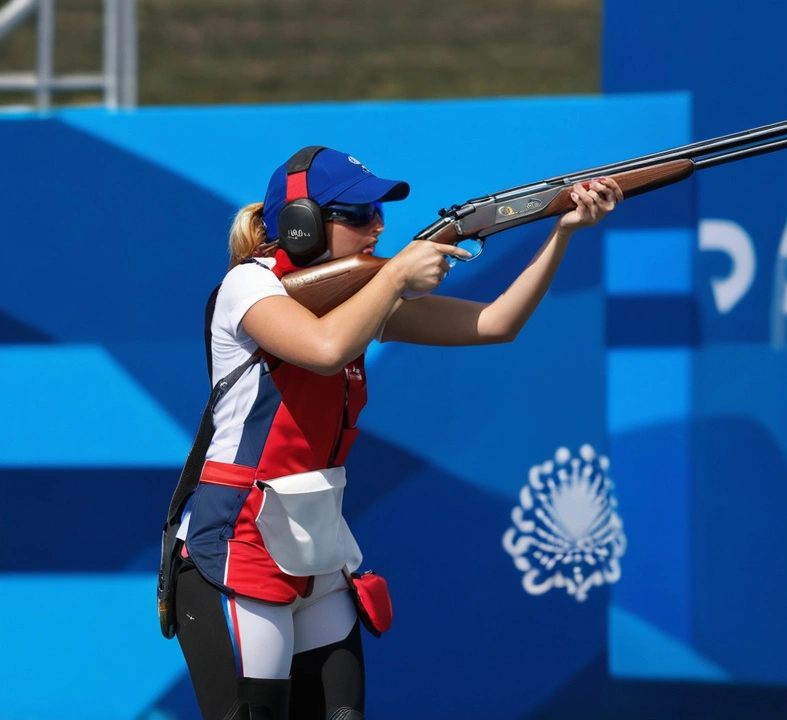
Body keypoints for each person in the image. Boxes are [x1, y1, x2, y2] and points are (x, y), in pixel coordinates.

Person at [170, 146, 623, 719]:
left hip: (317, 538)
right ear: (301, 225)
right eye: (358, 216)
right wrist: (398, 276)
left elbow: (496, 323)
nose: (377, 227)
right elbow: (325, 350)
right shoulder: (248, 286)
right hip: (237, 539)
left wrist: (562, 233)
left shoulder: (360, 296)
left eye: (379, 213)